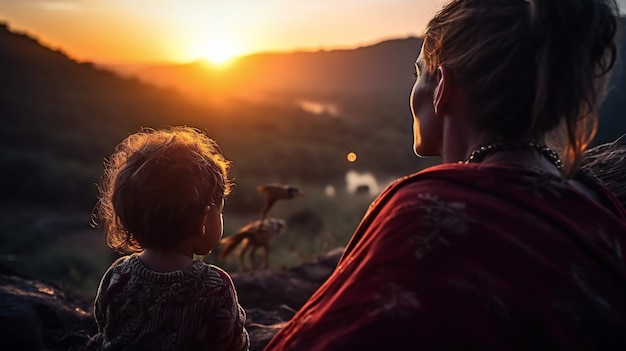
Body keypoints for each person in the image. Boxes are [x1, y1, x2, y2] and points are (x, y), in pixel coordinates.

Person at [264, 0, 626, 350]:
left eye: (418, 72)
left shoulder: (423, 208)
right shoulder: (601, 212)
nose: (415, 88)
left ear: (442, 89)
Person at [89, 126, 249, 351]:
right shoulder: (215, 287)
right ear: (203, 220)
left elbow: (105, 326)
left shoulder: (117, 276)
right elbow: (228, 343)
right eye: (219, 211)